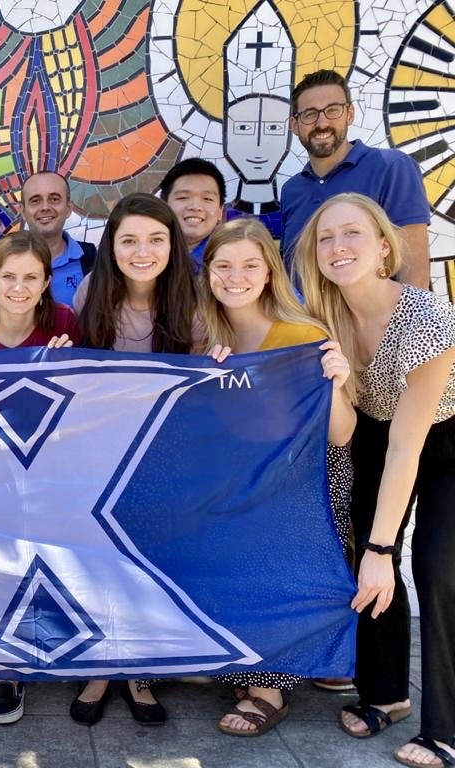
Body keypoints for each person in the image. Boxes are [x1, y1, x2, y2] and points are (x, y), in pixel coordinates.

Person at [294, 193, 455, 768]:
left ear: (384, 246)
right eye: (326, 238)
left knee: (436, 567)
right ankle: (387, 694)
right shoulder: (320, 314)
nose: (338, 247)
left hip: (442, 440)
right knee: (363, 557)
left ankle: (448, 728)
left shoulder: (427, 318)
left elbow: (409, 446)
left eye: (353, 234)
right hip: (372, 434)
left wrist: (387, 546)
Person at [198, 217, 357, 736]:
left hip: (304, 480)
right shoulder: (211, 341)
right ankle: (251, 663)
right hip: (249, 479)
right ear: (209, 273)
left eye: (249, 265)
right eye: (223, 265)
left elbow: (340, 435)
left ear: (269, 273)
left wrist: (335, 383)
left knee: (280, 559)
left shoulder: (302, 335)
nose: (235, 276)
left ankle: (272, 686)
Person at [69, 193, 199, 726]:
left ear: (172, 244)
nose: (142, 251)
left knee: (149, 561)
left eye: (155, 239)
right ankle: (102, 665)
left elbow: (218, 373)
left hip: (166, 456)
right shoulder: (89, 293)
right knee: (101, 558)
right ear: (111, 246)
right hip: (99, 455)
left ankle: (140, 669)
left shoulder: (193, 300)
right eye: (128, 240)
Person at [0, 230, 79, 725]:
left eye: (31, 277)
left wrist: (70, 363)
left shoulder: (64, 323)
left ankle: (16, 668)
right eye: (9, 277)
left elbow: (81, 401)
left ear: (47, 281)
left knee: (33, 562)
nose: (19, 287)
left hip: (45, 467)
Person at [281, 70, 431, 288]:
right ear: (294, 125)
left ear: (349, 114)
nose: (322, 123)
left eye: (332, 110)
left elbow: (414, 275)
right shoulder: (291, 190)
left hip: (374, 321)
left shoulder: (391, 167)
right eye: (310, 114)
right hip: (306, 321)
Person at [0, 171, 97, 305]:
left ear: (69, 208)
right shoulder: (2, 259)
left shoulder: (91, 259)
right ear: (23, 212)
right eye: (35, 201)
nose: (45, 207)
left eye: (54, 199)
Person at [157, 158, 227, 268]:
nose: (195, 207)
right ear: (164, 205)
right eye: (183, 197)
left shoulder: (230, 259)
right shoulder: (146, 257)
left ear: (220, 211)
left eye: (207, 199)